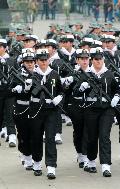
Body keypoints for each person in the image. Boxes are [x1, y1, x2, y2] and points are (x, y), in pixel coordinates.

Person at [74, 47, 120, 177]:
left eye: (100, 59)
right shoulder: (85, 74)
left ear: (103, 59)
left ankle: (106, 165)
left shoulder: (109, 74)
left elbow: (117, 89)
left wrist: (116, 97)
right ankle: (91, 161)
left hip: (106, 109)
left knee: (104, 136)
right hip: (91, 109)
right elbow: (76, 92)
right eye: (95, 59)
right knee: (92, 136)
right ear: (91, 60)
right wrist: (82, 88)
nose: (98, 61)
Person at [27, 49, 64, 179]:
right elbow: (25, 93)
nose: (44, 62)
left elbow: (61, 90)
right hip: (36, 109)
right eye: (41, 60)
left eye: (45, 60)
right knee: (36, 137)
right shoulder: (31, 75)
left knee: (50, 138)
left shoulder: (54, 74)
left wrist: (59, 97)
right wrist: (27, 87)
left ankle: (51, 166)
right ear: (37, 61)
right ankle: (37, 163)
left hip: (51, 110)